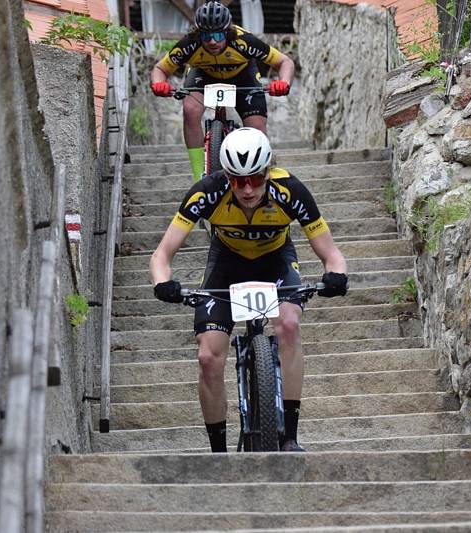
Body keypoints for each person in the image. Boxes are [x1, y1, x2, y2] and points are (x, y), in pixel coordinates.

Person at [149, 128, 348, 453]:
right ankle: (218, 452)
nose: (246, 188)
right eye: (236, 180)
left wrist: (336, 275)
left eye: (255, 179)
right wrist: (162, 283)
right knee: (208, 357)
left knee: (289, 324)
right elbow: (162, 254)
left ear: (268, 171)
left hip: (276, 261)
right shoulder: (207, 192)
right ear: (225, 176)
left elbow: (331, 253)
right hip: (226, 266)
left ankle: (289, 438)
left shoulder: (290, 190)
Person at [150, 0, 295, 182]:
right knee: (190, 110)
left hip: (242, 75)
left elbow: (285, 62)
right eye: (206, 36)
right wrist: (158, 84)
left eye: (218, 35)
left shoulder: (244, 41)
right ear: (198, 34)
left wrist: (284, 82)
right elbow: (160, 69)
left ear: (228, 32)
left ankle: (260, 176)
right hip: (203, 74)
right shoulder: (190, 44)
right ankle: (198, 177)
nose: (212, 41)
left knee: (256, 127)